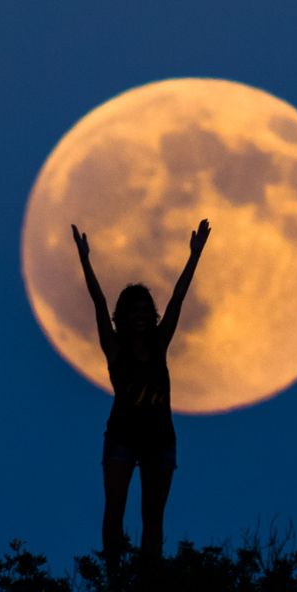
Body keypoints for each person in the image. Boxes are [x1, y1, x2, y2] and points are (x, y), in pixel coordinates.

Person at [72, 217, 209, 559]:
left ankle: (150, 583)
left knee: (153, 517)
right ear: (123, 315)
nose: (141, 316)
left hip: (160, 440)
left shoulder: (160, 345)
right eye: (134, 310)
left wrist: (195, 255)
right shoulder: (114, 349)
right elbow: (98, 303)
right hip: (121, 438)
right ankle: (113, 574)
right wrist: (84, 260)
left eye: (146, 310)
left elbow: (178, 300)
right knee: (115, 509)